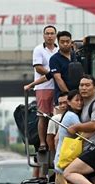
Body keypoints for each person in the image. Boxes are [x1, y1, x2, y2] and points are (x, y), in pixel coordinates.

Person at [63, 75, 95, 184]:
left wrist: (76, 127)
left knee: (68, 173)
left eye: (87, 85)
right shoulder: (84, 105)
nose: (83, 88)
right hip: (92, 149)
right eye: (81, 85)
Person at [32, 25, 58, 153]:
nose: (49, 36)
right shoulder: (38, 49)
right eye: (47, 33)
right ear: (43, 35)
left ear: (55, 35)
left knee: (56, 116)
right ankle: (42, 143)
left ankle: (54, 141)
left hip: (58, 87)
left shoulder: (59, 50)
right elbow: (38, 67)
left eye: (52, 33)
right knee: (42, 115)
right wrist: (53, 73)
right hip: (43, 87)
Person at [54, 90, 83, 174]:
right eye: (77, 100)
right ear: (69, 102)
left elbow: (56, 140)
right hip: (66, 160)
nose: (80, 103)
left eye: (81, 100)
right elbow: (84, 135)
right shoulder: (71, 116)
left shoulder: (68, 114)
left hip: (62, 158)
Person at [49, 31, 75, 106]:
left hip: (78, 97)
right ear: (58, 42)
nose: (65, 44)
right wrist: (70, 96)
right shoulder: (54, 59)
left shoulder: (76, 55)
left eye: (67, 41)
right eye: (62, 42)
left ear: (71, 42)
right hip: (62, 98)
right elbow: (58, 79)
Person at [46, 92, 68, 163]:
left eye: (65, 102)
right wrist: (55, 155)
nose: (63, 106)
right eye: (60, 103)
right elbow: (49, 139)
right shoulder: (55, 119)